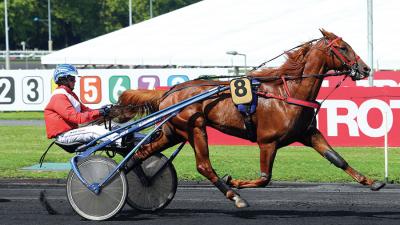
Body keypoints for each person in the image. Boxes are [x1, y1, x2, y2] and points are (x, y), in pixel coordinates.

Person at [44, 64, 121, 148]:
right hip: (64, 136)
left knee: (113, 126)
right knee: (95, 130)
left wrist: (102, 110)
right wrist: (99, 112)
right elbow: (77, 118)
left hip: (72, 132)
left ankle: (133, 142)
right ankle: (122, 142)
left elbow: (86, 111)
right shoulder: (59, 97)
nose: (75, 81)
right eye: (72, 79)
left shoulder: (69, 94)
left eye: (74, 78)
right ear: (63, 80)